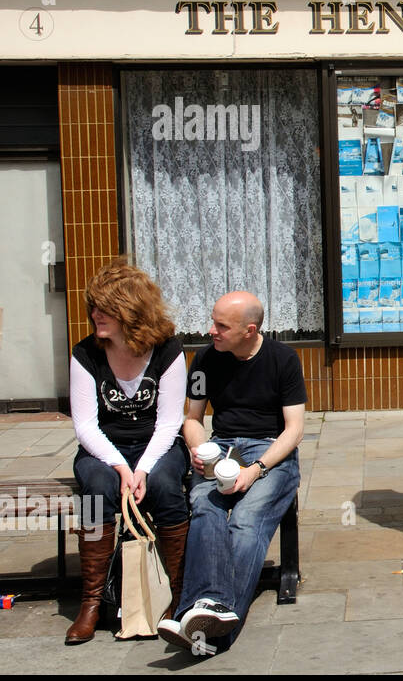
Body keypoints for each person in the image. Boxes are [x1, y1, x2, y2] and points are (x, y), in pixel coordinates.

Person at [158, 291, 305, 655]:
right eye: (213, 321)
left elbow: (294, 429)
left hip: (270, 450)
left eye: (221, 326)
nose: (212, 331)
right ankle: (209, 610)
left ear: (250, 330)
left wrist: (256, 470)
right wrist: (198, 448)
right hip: (222, 447)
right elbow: (191, 419)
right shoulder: (206, 358)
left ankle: (206, 619)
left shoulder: (283, 359)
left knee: (246, 518)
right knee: (205, 509)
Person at [67, 259, 190, 644]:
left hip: (158, 443)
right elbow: (85, 425)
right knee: (96, 489)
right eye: (93, 307)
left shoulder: (168, 350)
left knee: (167, 485)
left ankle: (174, 596)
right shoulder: (85, 353)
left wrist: (144, 469)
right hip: (106, 448)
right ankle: (90, 603)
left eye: (105, 308)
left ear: (131, 311)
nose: (94, 315)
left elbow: (171, 422)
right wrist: (122, 467)